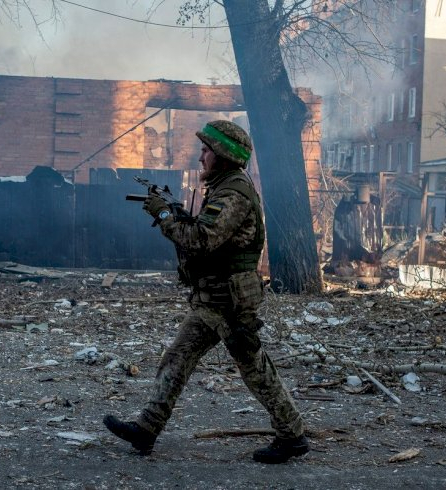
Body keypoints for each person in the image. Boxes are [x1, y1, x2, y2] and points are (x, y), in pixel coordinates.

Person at [103, 120, 309, 464]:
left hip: (230, 302)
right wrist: (181, 215)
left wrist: (167, 216)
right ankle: (147, 429)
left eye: (206, 150)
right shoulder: (223, 187)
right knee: (177, 358)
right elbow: (208, 233)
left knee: (254, 368)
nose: (201, 157)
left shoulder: (232, 193)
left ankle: (293, 435)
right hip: (212, 299)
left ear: (224, 156)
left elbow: (201, 241)